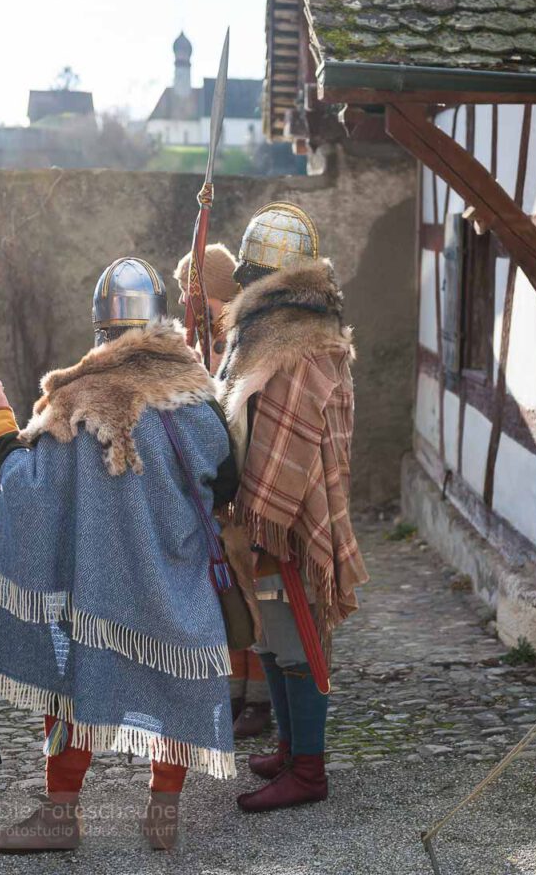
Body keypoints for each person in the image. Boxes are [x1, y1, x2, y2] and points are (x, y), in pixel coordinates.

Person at [0, 258, 239, 852]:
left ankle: (61, 813)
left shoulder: (75, 401)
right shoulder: (196, 400)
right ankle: (163, 810)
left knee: (69, 684)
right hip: (174, 580)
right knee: (172, 676)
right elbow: (225, 483)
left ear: (101, 329)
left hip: (94, 586)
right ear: (158, 322)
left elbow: (32, 491)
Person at [218, 202, 369, 813]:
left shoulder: (302, 348)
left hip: (292, 515)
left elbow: (290, 440)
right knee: (274, 637)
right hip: (269, 513)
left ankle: (308, 770)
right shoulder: (272, 336)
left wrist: (263, 513)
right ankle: (290, 748)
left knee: (300, 639)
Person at [175, 243, 271, 738]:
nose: (191, 308)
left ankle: (259, 697)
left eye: (197, 297)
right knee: (226, 594)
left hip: (248, 482)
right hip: (219, 487)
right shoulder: (205, 342)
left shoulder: (244, 340)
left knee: (253, 592)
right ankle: (234, 691)